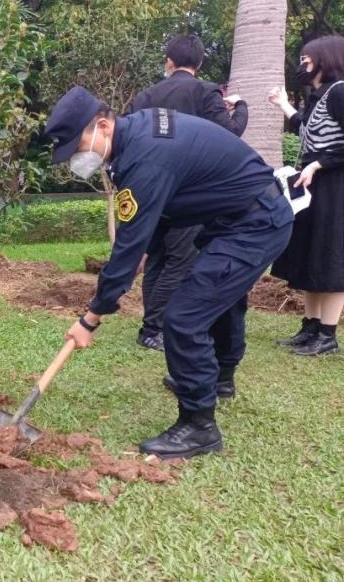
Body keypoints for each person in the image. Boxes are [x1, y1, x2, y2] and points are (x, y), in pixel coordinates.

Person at [45, 87, 293, 459]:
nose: (78, 158)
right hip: (237, 218)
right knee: (219, 301)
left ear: (102, 125)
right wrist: (144, 246)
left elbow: (126, 248)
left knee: (183, 317)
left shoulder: (147, 156)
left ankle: (198, 427)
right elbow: (155, 218)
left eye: (77, 146)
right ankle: (221, 379)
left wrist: (91, 318)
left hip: (256, 223)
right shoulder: (137, 136)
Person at [129, 34, 249, 352]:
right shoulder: (205, 91)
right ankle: (154, 327)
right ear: (199, 64)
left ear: (169, 62)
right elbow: (231, 133)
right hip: (188, 191)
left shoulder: (146, 95)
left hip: (150, 189)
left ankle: (150, 323)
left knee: (157, 256)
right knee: (180, 259)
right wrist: (240, 107)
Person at [269, 34, 344, 356]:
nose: (302, 65)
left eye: (307, 59)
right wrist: (282, 103)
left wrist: (319, 163)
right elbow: (306, 130)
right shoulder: (320, 95)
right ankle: (310, 326)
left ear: (325, 59)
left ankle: (327, 335)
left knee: (330, 259)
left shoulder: (340, 92)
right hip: (313, 184)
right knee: (312, 256)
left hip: (334, 186)